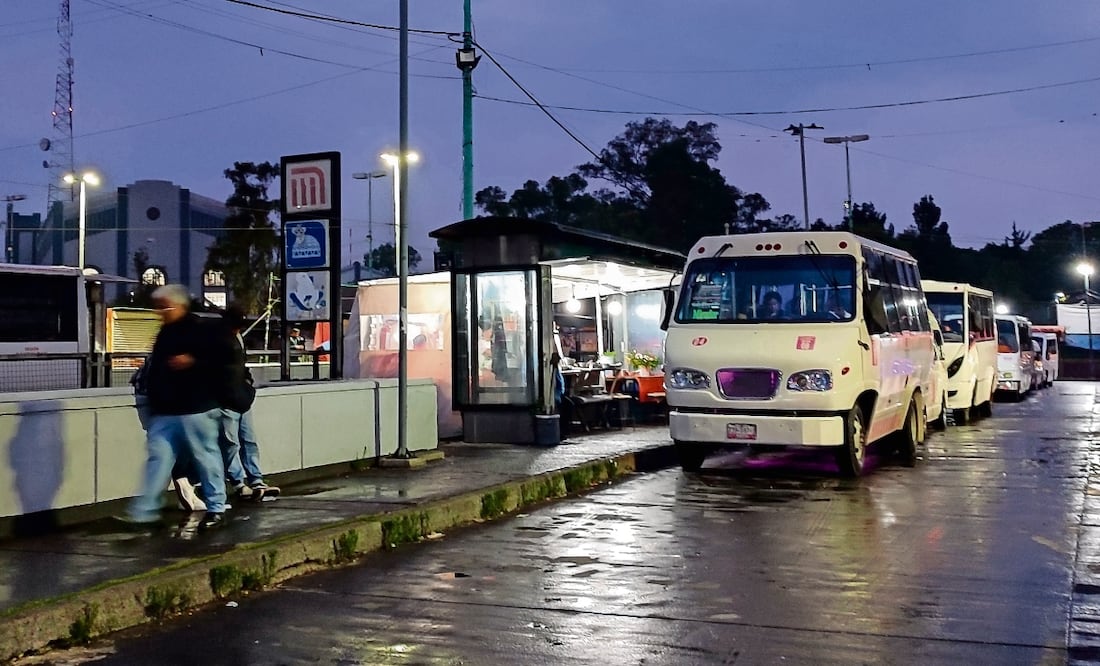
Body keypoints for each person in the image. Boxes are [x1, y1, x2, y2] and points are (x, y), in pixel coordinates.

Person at [123, 284, 228, 530]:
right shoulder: (166, 332)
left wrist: (192, 361)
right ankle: (144, 510)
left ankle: (216, 507)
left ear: (179, 305)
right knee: (161, 457)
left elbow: (221, 360)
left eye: (163, 306)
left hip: (196, 407)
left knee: (204, 457)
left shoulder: (199, 329)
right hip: (168, 409)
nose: (159, 312)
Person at [217, 305, 281, 502]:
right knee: (236, 443)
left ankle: (251, 481)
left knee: (239, 442)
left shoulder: (232, 337)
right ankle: (243, 482)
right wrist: (247, 384)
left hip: (234, 398)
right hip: (233, 398)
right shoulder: (222, 340)